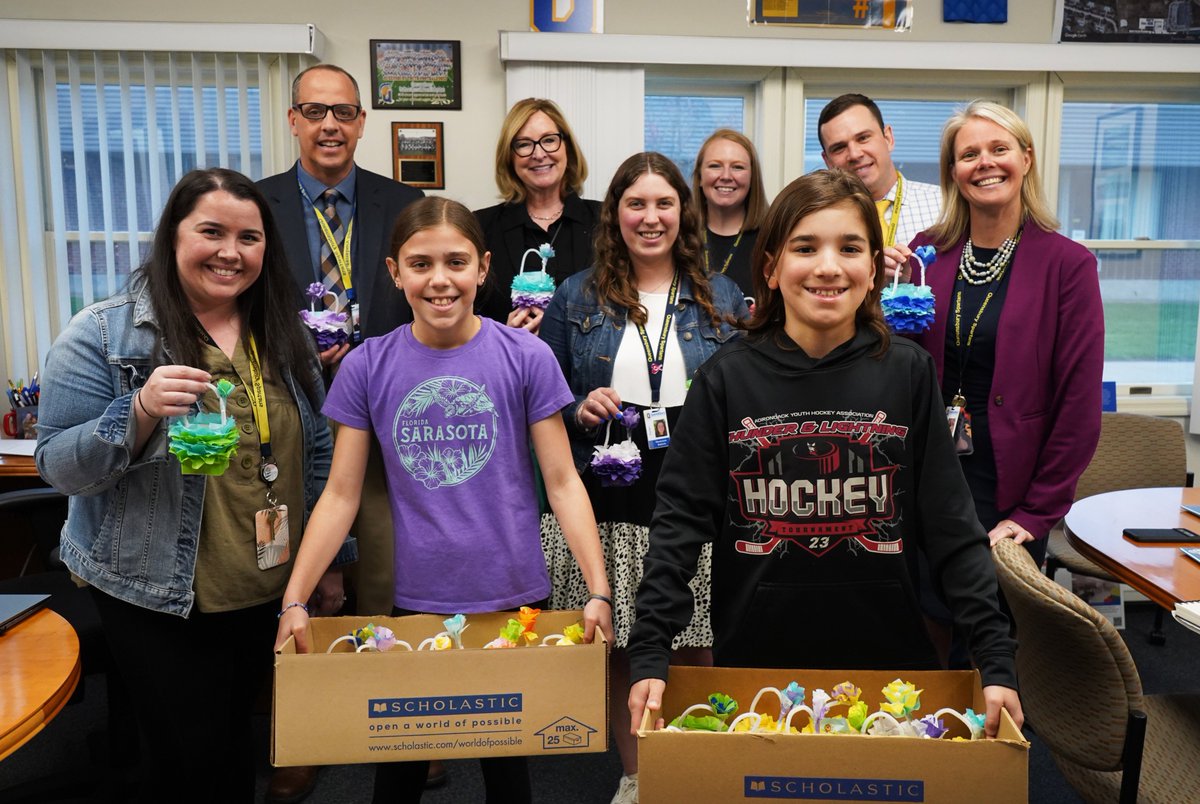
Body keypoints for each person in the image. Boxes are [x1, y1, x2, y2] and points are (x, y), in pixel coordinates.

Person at [625, 168, 1023, 744]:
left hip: (889, 665)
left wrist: (995, 658)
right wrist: (650, 653)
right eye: (805, 247)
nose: (829, 266)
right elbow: (678, 528)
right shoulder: (725, 380)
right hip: (757, 666)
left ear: (873, 268)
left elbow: (952, 526)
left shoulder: (907, 371)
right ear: (771, 267)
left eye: (850, 248)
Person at [274, 196, 612, 804]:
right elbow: (341, 494)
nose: (440, 279)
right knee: (398, 775)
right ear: (394, 272)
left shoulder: (526, 357)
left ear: (483, 269)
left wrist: (598, 590)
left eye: (456, 262)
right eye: (420, 263)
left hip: (511, 596)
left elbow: (563, 482)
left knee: (509, 776)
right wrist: (294, 600)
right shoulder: (367, 367)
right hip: (408, 599)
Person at [36, 168, 338, 804]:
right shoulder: (103, 333)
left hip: (265, 583)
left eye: (249, 238)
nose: (231, 252)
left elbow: (316, 451)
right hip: (159, 593)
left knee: (234, 747)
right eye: (212, 231)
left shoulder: (284, 333)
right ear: (173, 236)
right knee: (189, 766)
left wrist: (326, 565)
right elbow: (58, 466)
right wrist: (140, 411)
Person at [539, 151, 748, 804]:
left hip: (696, 495)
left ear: (683, 212)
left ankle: (698, 773)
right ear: (615, 215)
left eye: (664, 203)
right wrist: (579, 408)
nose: (651, 217)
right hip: (608, 488)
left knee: (699, 647)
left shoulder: (725, 296)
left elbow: (744, 402)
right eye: (636, 204)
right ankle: (636, 777)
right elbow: (543, 398)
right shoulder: (575, 295)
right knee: (624, 648)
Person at [258, 63, 426, 798]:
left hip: (388, 426)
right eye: (315, 111)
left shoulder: (402, 202)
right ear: (292, 120)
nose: (330, 124)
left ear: (363, 124)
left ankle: (412, 734)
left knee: (387, 583)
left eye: (345, 112)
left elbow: (427, 301)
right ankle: (307, 733)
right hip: (287, 423)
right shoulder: (256, 203)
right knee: (299, 585)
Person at [911, 101, 1103, 566]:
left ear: (1027, 159)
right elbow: (901, 360)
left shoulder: (1068, 265)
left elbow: (1077, 405)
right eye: (969, 154)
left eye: (1000, 148)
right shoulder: (926, 254)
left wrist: (1036, 513)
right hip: (925, 473)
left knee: (995, 626)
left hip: (1008, 487)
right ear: (954, 171)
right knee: (925, 620)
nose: (985, 163)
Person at [476, 98, 601, 333]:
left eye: (549, 140)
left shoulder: (607, 222)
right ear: (509, 156)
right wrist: (504, 336)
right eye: (524, 144)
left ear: (567, 148)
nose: (539, 153)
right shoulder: (479, 228)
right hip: (508, 366)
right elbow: (463, 315)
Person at [818, 93, 941, 277]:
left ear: (888, 138)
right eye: (839, 148)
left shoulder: (944, 204)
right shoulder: (819, 220)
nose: (854, 154)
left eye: (863, 138)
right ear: (827, 161)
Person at [691, 128, 769, 296]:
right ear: (699, 177)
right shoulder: (680, 238)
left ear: (752, 178)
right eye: (715, 166)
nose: (726, 175)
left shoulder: (773, 239)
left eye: (738, 167)